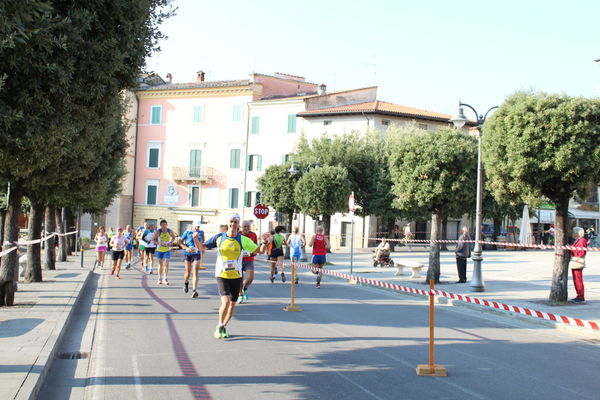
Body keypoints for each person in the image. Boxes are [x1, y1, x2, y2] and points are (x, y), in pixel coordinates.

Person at [203, 214, 260, 339]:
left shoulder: (242, 239)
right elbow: (202, 247)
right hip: (222, 274)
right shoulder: (219, 237)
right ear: (227, 223)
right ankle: (219, 325)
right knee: (226, 301)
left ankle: (222, 326)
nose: (233, 224)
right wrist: (196, 240)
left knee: (232, 305)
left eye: (235, 222)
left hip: (236, 276)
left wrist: (266, 242)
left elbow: (257, 250)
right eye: (231, 221)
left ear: (238, 225)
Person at [180, 220, 205, 298]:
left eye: (198, 227)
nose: (197, 228)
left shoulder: (201, 232)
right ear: (193, 226)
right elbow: (180, 242)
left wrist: (202, 248)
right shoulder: (187, 232)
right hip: (188, 254)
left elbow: (203, 241)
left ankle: (194, 290)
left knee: (195, 271)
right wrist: (186, 248)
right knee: (188, 272)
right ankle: (186, 282)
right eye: (196, 227)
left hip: (196, 254)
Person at [239, 220, 259, 303]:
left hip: (249, 260)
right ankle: (240, 295)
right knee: (240, 279)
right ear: (242, 227)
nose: (246, 228)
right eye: (245, 226)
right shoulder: (238, 235)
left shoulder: (253, 235)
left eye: (248, 226)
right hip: (239, 260)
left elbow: (256, 246)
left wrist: (255, 252)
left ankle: (245, 287)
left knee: (250, 278)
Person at [153, 220, 176, 285]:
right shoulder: (158, 231)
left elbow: (174, 237)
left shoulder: (169, 231)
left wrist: (171, 242)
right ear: (160, 225)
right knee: (160, 264)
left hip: (167, 249)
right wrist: (158, 243)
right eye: (162, 225)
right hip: (160, 249)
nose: (164, 226)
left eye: (165, 224)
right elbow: (152, 239)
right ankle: (160, 278)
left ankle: (165, 278)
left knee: (166, 263)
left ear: (167, 225)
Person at [569, 227, 588, 304]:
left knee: (578, 279)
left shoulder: (581, 241)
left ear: (577, 233)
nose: (572, 234)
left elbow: (581, 252)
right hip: (575, 260)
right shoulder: (578, 240)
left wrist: (572, 249)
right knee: (576, 279)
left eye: (574, 232)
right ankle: (579, 295)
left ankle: (581, 296)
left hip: (577, 261)